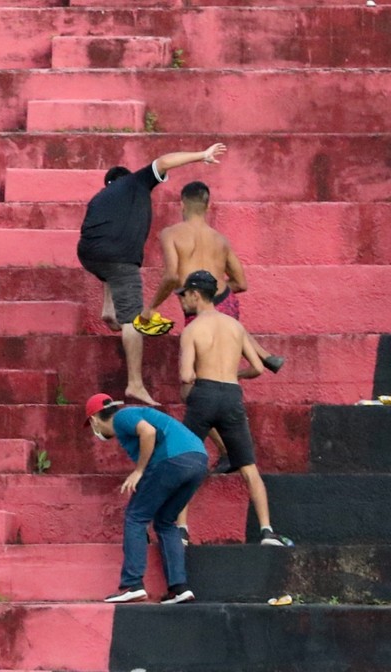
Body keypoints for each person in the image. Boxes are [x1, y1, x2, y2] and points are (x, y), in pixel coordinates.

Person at [77, 143, 227, 406]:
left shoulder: (100, 198)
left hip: (89, 255)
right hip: (119, 258)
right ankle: (135, 383)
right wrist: (201, 155)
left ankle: (108, 309)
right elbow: (164, 161)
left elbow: (102, 244)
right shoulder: (135, 183)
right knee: (133, 319)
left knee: (113, 268)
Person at [176, 270, 293, 546]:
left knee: (183, 460)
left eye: (184, 296)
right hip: (230, 395)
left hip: (203, 395)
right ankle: (267, 530)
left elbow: (185, 375)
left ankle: (181, 529)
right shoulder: (235, 326)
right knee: (248, 466)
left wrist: (202, 377)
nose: (182, 301)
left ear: (195, 294)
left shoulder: (192, 329)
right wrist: (231, 375)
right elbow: (256, 368)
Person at [140, 180, 284, 373]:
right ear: (208, 206)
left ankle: (260, 358)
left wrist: (151, 307)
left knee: (200, 370)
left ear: (181, 204)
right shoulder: (220, 239)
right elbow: (241, 283)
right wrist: (213, 292)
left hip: (197, 306)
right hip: (225, 301)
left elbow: (172, 276)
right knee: (223, 360)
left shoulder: (171, 234)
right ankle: (263, 356)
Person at [84, 393, 208, 604]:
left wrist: (139, 471)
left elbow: (148, 432)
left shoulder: (122, 417)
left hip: (173, 460)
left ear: (95, 418)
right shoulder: (128, 424)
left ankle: (132, 584)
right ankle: (179, 588)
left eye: (92, 425)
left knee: (135, 517)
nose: (95, 431)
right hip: (198, 461)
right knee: (166, 521)